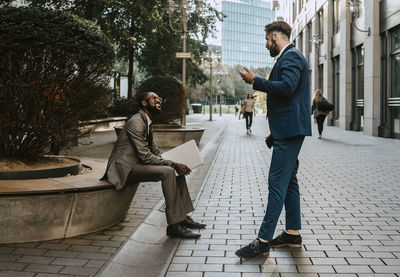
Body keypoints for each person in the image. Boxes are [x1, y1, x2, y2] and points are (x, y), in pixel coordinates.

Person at [236, 20, 312, 259]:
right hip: (286, 129)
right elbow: (290, 98)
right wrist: (275, 130)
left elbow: (287, 88)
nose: (267, 44)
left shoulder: (291, 57)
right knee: (289, 181)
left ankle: (263, 240)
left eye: (268, 40)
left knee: (276, 182)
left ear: (277, 36)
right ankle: (292, 232)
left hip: (290, 131)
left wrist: (256, 81)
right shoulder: (290, 57)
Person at [102, 91, 206, 239]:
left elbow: (154, 150)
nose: (158, 101)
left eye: (160, 98)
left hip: (135, 164)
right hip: (123, 168)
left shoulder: (146, 121)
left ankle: (182, 217)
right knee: (168, 172)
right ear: (144, 103)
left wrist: (177, 163)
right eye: (154, 98)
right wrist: (172, 163)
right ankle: (174, 226)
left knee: (176, 171)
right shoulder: (136, 122)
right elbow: (145, 155)